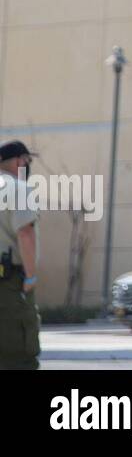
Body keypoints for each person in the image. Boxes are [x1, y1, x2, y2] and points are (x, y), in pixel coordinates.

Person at [0, 141, 40, 370]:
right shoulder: (19, 188)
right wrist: (31, 277)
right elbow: (25, 233)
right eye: (28, 161)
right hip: (10, 285)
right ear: (19, 161)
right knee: (19, 359)